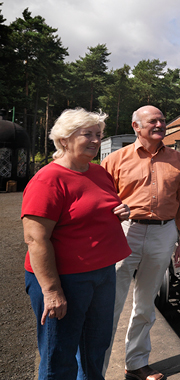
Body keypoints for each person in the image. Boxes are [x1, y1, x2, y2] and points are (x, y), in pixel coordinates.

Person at [22, 108, 131, 379]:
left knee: (95, 349)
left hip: (102, 273)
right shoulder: (48, 179)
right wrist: (52, 291)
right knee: (59, 355)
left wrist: (122, 210)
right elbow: (36, 239)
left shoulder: (98, 172)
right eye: (87, 134)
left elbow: (99, 207)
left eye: (99, 134)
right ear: (64, 140)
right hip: (65, 280)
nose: (95, 140)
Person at [101, 105, 180, 380]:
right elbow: (100, 199)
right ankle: (97, 369)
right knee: (110, 303)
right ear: (136, 127)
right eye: (153, 121)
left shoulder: (178, 159)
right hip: (124, 230)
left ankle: (137, 363)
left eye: (162, 120)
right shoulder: (116, 160)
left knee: (145, 302)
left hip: (163, 233)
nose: (160, 124)